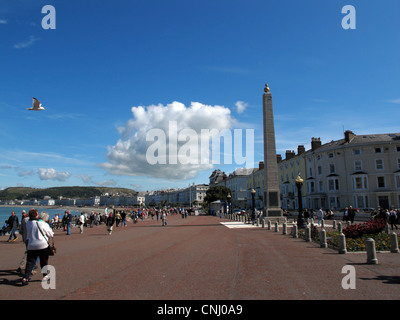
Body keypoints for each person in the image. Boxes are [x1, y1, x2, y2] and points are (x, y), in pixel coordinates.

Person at [21, 209, 54, 285]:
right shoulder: (42, 224)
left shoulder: (28, 223)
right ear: (36, 215)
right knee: (43, 261)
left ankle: (25, 277)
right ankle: (45, 276)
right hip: (42, 245)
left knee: (30, 262)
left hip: (31, 245)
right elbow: (51, 234)